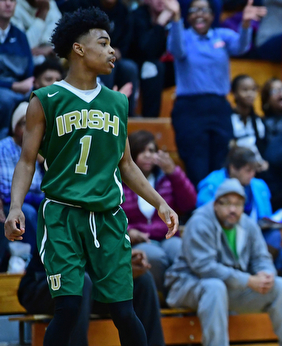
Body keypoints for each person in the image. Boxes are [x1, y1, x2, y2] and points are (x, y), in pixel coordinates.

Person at [3, 7, 179, 346]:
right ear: (78, 49)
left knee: (125, 312)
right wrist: (14, 207)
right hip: (63, 215)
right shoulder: (46, 99)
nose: (112, 51)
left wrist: (159, 203)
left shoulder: (117, 102)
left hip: (107, 216)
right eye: (103, 43)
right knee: (68, 308)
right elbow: (26, 161)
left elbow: (126, 164)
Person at [165, 178, 282, 346]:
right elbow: (205, 268)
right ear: (216, 204)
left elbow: (261, 257)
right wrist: (248, 280)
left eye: (238, 204)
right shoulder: (200, 222)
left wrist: (266, 274)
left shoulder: (248, 224)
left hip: (229, 288)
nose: (233, 209)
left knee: (279, 286)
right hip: (188, 285)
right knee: (215, 287)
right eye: (227, 203)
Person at [164, 0, 266, 186]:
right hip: (190, 109)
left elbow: (241, 47)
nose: (199, 14)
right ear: (188, 15)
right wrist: (176, 17)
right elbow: (176, 50)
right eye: (194, 10)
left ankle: (220, 207)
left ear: (213, 15)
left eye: (204, 10)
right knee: (196, 164)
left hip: (219, 107)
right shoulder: (183, 35)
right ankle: (199, 209)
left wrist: (245, 24)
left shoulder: (222, 36)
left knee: (221, 162)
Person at [18, 248, 166, 346]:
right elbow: (70, 265)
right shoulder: (63, 208)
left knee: (142, 280)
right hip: (43, 286)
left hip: (91, 287)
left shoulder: (109, 212)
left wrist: (130, 260)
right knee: (80, 281)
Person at [123, 130, 196, 296]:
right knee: (155, 257)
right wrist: (129, 232)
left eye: (152, 150)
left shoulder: (167, 178)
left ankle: (179, 295)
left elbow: (189, 203)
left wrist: (174, 172)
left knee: (180, 250)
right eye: (142, 151)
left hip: (166, 236)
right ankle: (158, 297)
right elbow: (114, 213)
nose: (148, 155)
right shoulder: (120, 181)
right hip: (138, 240)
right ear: (132, 153)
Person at [196, 146, 282, 269]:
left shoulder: (259, 186)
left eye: (254, 170)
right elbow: (205, 214)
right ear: (233, 168)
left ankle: (260, 272)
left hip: (252, 234)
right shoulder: (211, 185)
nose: (252, 175)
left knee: (276, 239)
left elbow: (266, 216)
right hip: (223, 233)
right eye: (248, 170)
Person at [0, 102, 43, 260]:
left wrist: (43, 162)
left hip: (34, 198)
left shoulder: (38, 149)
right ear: (14, 126)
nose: (30, 128)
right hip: (10, 202)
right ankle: (40, 259)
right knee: (29, 213)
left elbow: (41, 186)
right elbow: (6, 187)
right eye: (24, 123)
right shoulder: (3, 147)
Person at [128, 0, 170, 117]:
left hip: (170, 68)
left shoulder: (176, 18)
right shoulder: (138, 16)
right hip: (141, 67)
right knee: (153, 67)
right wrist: (160, 23)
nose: (160, 1)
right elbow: (147, 51)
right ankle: (150, 120)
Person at [0, 0, 34, 139]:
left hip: (19, 88)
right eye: (3, 0)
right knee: (5, 99)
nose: (8, 4)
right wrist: (13, 86)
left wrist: (24, 84)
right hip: (6, 89)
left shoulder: (20, 36)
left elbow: (29, 69)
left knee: (39, 96)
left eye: (12, 1)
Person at [230, 74, 268, 171]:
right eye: (245, 90)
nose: (250, 94)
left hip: (257, 168)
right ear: (234, 93)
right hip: (236, 167)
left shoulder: (259, 121)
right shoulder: (228, 119)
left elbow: (262, 146)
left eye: (253, 90)